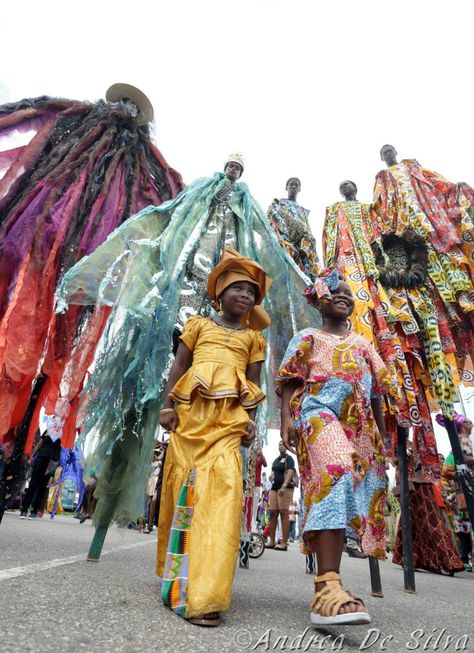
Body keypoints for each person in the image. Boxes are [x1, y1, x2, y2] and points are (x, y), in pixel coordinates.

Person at [57, 154, 311, 532]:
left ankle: (218, 534)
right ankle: (113, 504)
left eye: (239, 170)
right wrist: (167, 402)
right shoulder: (199, 197)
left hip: (226, 362)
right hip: (184, 302)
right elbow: (168, 219)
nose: (234, 173)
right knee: (144, 388)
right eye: (230, 167)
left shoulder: (245, 211)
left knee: (219, 452)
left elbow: (266, 246)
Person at [157, 249, 271, 626]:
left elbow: (253, 383)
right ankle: (176, 582)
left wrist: (249, 420)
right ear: (218, 293)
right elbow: (178, 366)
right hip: (190, 419)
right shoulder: (198, 326)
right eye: (238, 288)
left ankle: (206, 595)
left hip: (227, 423)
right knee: (183, 494)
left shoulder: (255, 338)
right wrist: (167, 406)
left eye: (252, 292)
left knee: (223, 493)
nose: (246, 296)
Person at [277, 268, 391, 626]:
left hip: (357, 429)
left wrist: (382, 441)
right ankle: (328, 587)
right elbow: (290, 381)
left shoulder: (364, 345)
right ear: (319, 301)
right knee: (336, 471)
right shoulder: (307, 337)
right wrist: (286, 419)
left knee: (344, 492)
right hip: (317, 414)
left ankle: (330, 585)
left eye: (348, 292)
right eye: (335, 291)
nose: (344, 295)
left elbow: (375, 397)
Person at [267, 177, 320, 281]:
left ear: (299, 189)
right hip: (285, 235)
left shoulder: (302, 210)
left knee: (306, 263)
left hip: (303, 240)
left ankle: (308, 284)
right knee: (287, 260)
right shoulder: (279, 202)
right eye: (291, 184)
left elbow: (306, 227)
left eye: (296, 185)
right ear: (286, 187)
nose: (293, 187)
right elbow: (272, 214)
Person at [19, 429, 61, 519]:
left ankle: (34, 511)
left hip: (51, 462)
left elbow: (64, 449)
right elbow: (39, 444)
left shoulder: (64, 433)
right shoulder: (49, 429)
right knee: (33, 484)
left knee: (42, 487)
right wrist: (32, 457)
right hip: (41, 458)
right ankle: (24, 510)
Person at [265, 441, 296, 551]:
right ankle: (272, 540)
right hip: (274, 488)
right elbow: (273, 473)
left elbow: (290, 472)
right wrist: (270, 477)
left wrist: (284, 485)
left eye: (283, 444)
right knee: (272, 514)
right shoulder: (276, 460)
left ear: (286, 447)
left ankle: (284, 542)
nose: (281, 446)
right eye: (279, 445)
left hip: (285, 488)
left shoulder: (289, 458)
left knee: (284, 513)